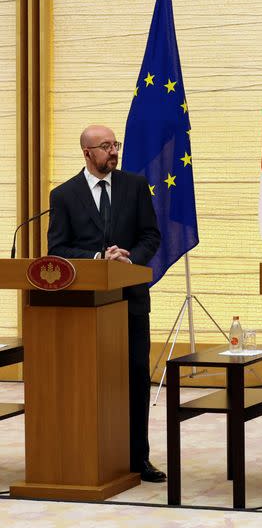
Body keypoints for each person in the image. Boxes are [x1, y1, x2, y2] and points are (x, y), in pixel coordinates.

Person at [47, 125, 165, 483]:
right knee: (89, 381)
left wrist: (130, 259)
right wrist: (98, 256)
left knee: (134, 378)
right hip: (85, 309)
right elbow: (57, 249)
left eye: (116, 145)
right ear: (87, 153)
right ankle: (90, 453)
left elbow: (151, 235)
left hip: (130, 302)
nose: (114, 151)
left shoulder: (134, 186)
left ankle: (137, 458)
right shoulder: (64, 195)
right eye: (106, 146)